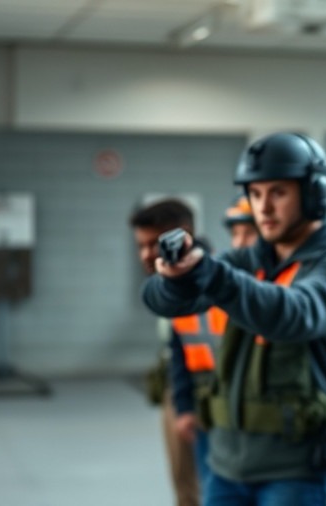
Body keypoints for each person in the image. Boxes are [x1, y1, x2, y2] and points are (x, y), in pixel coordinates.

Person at [142, 132, 326, 506]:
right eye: (256, 193)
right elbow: (160, 301)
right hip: (228, 462)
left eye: (277, 192)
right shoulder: (252, 258)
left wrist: (210, 275)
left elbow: (293, 313)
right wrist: (174, 276)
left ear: (314, 193)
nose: (262, 207)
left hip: (296, 468)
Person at [169, 195, 262, 498]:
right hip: (207, 408)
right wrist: (184, 406)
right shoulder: (215, 285)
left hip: (255, 418)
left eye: (250, 233)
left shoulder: (279, 292)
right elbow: (179, 352)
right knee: (210, 486)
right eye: (236, 234)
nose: (241, 242)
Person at [129, 198, 202, 506]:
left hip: (211, 391)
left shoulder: (208, 278)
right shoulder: (165, 282)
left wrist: (185, 406)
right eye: (140, 246)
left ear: (181, 235)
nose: (146, 255)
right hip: (182, 390)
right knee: (185, 487)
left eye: (153, 244)